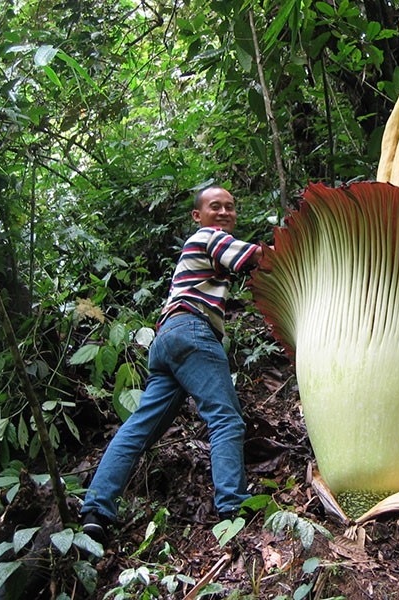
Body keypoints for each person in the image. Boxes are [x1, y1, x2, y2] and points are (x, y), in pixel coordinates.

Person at [81, 186, 263, 544]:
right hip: (193, 331)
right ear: (198, 215)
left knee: (139, 429)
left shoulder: (203, 245)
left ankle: (96, 509)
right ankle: (233, 506)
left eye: (230, 207)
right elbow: (255, 257)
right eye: (216, 206)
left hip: (166, 339)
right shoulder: (210, 236)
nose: (225, 212)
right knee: (225, 418)